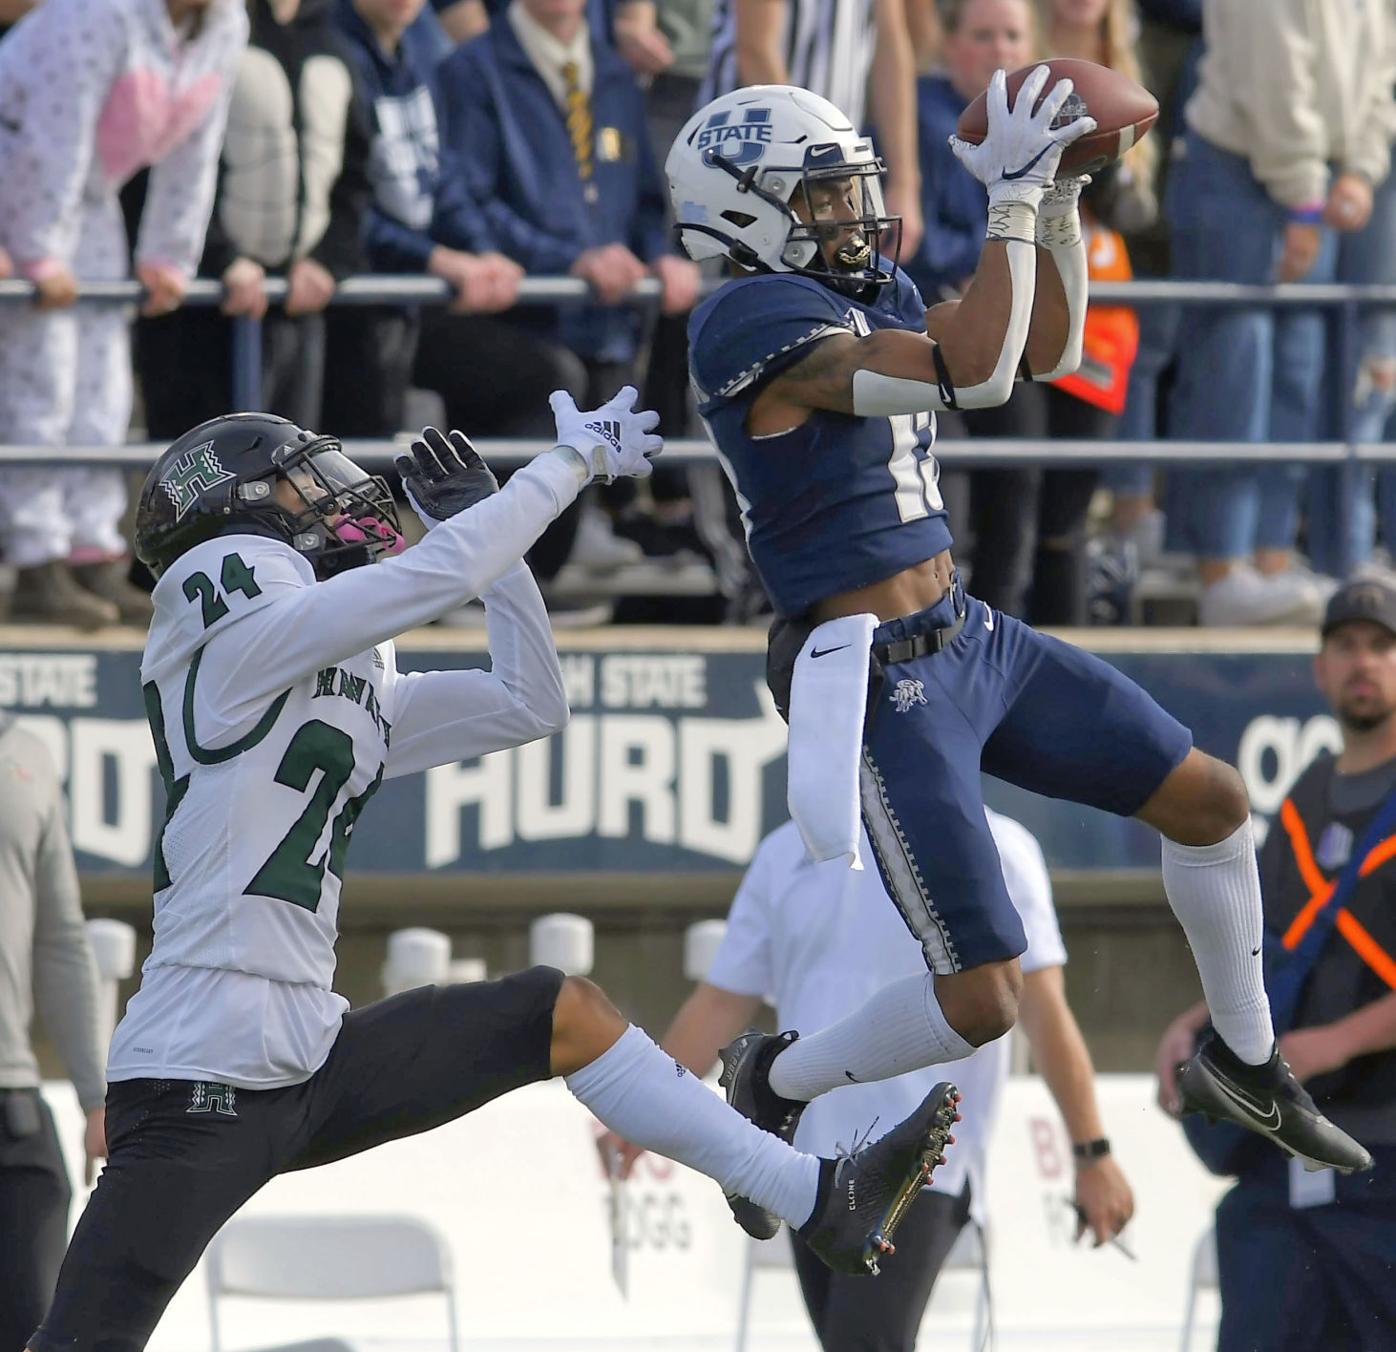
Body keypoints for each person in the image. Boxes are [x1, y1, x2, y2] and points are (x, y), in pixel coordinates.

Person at [25, 395, 961, 1352]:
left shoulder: (324, 666)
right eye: (297, 481)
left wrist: (503, 555)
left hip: (310, 1049)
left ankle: (814, 1194)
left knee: (564, 1013)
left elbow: (530, 701)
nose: (329, 497)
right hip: (198, 1074)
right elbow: (433, 573)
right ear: (236, 518)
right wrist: (557, 470)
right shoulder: (225, 615)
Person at [665, 73, 1371, 1243]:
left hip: (966, 628)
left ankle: (1247, 1059)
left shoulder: (852, 288)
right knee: (982, 997)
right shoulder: (744, 319)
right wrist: (1007, 200)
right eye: (825, 194)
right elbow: (973, 361)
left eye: (853, 189)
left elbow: (1036, 351)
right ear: (744, 210)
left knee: (1209, 799)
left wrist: (1056, 201)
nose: (853, 214)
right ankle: (777, 1079)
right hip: (873, 668)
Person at [603, 814, 1135, 1352]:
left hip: (924, 1161)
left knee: (861, 1344)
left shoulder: (997, 845)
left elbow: (1044, 1011)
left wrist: (1093, 1151)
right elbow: (722, 1000)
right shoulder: (784, 851)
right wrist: (642, 1106)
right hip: (800, 1165)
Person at [1154, 576, 1396, 1351]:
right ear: (1320, 668)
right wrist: (1193, 1023)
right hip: (1281, 1156)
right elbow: (1274, 952)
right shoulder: (1304, 799)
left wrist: (1340, 1039)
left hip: (1386, 1156)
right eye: (1346, 645)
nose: (1364, 662)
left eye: (1384, 646)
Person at [0, 0, 247, 628]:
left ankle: (93, 553)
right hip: (20, 183)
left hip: (91, 198)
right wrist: (38, 249)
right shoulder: (97, 13)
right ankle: (36, 558)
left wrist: (170, 253)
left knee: (103, 387)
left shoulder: (226, 23)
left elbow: (200, 143)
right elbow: (53, 134)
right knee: (43, 379)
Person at [1165, 0, 1396, 626]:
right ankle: (1221, 570)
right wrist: (1305, 199)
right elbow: (1272, 74)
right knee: (1235, 369)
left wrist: (1359, 171)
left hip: (1315, 178)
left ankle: (1268, 561)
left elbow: (1379, 77)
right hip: (1239, 171)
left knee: (1298, 369)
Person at [135, 0, 371, 440]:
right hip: (198, 310)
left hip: (296, 309)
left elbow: (356, 176)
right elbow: (165, 163)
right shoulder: (203, 33)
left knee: (289, 477)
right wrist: (221, 258)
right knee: (199, 482)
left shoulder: (334, 45)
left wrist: (327, 260)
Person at [324, 0, 523, 438]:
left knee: (539, 378)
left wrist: (483, 250)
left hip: (405, 300)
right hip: (349, 300)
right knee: (356, 474)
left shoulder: (416, 54)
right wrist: (439, 259)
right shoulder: (333, 54)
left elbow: (441, 176)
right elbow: (343, 206)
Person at [0, 718, 107, 1352]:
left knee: (42, 1328)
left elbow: (61, 938)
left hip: (13, 1109)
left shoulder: (26, 755)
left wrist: (96, 1095)